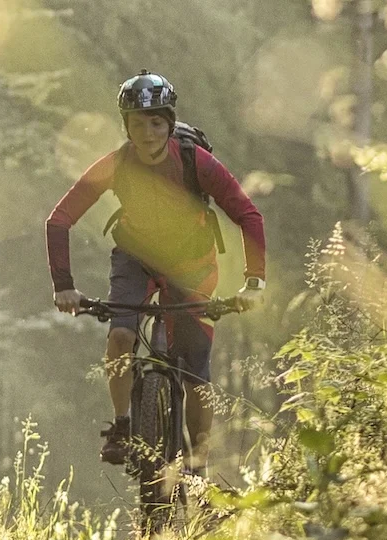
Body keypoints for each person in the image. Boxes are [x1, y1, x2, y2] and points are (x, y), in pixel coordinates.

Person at [44, 70, 266, 474]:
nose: (147, 134)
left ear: (169, 123)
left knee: (194, 370)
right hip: (136, 258)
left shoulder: (196, 162)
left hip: (192, 265)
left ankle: (198, 464)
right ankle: (123, 425)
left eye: (156, 123)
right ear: (126, 127)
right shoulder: (115, 165)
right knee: (121, 336)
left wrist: (254, 281)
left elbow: (247, 214)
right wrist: (64, 286)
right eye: (137, 124)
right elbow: (59, 220)